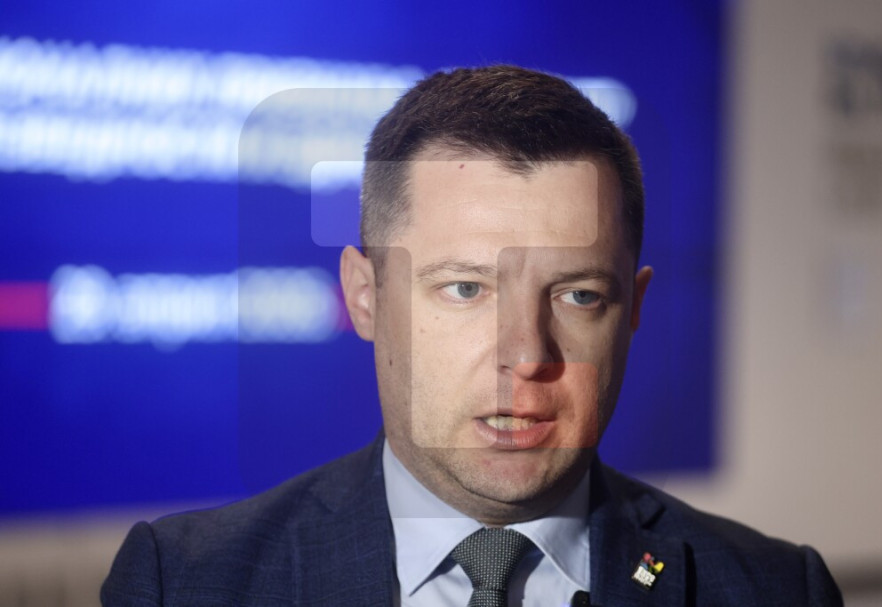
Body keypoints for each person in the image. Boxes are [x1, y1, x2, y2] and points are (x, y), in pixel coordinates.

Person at [102, 65, 843, 606]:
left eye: (578, 295)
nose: (526, 355)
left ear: (633, 308)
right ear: (365, 296)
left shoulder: (775, 589)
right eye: (466, 288)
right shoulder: (187, 584)